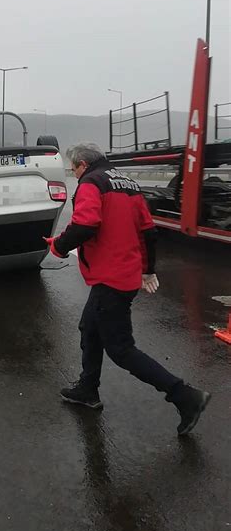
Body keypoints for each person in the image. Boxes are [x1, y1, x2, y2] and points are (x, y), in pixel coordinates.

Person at [44, 142, 210, 435]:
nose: (74, 173)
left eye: (73, 168)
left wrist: (58, 245)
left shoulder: (91, 183)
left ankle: (184, 396)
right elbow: (148, 231)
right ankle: (87, 389)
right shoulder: (128, 183)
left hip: (111, 279)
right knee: (89, 327)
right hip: (123, 275)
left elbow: (85, 225)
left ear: (83, 163)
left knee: (121, 350)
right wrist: (148, 269)